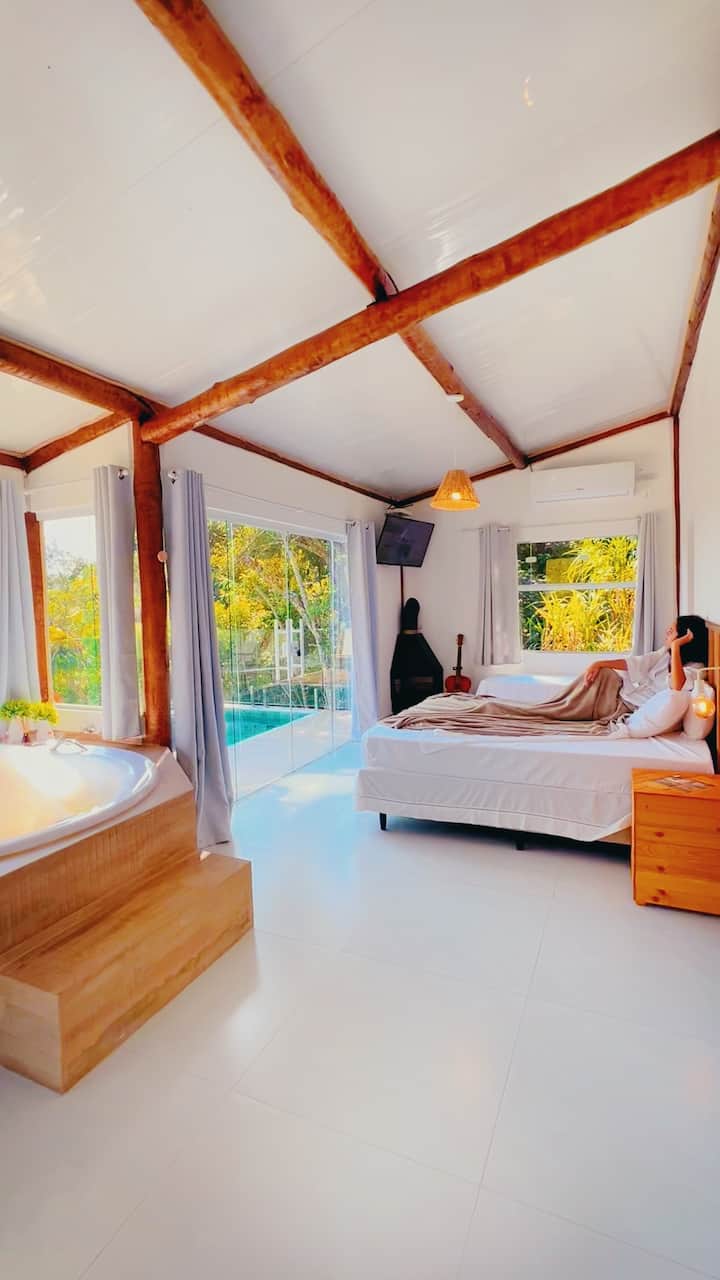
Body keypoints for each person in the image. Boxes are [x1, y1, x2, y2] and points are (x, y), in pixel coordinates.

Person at [583, 615, 708, 704]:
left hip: (631, 706)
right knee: (603, 673)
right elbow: (638, 662)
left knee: (596, 684)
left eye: (671, 631)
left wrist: (675, 647)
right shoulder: (665, 654)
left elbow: (677, 686)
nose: (666, 633)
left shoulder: (697, 669)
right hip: (627, 697)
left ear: (683, 639)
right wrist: (598, 663)